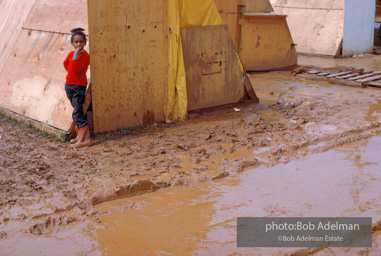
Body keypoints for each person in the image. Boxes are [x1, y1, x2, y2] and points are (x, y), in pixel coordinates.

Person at [63, 28, 91, 148]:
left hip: (79, 87)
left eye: (81, 42)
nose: (79, 44)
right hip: (69, 85)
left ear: (85, 43)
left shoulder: (85, 56)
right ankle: (80, 136)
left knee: (78, 111)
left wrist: (75, 56)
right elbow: (66, 64)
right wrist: (70, 75)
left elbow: (74, 68)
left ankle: (86, 139)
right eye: (76, 42)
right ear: (72, 43)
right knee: (76, 111)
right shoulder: (70, 54)